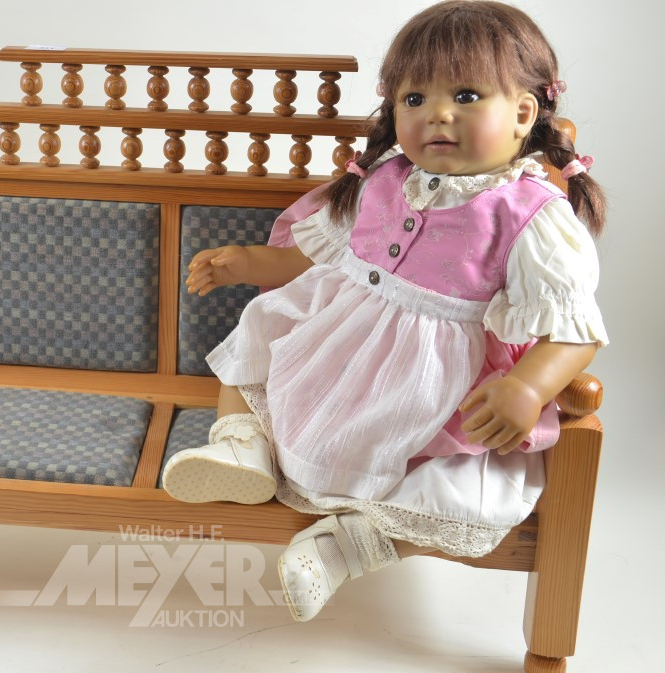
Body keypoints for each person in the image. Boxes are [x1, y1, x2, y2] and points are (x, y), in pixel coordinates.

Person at [160, 0, 609, 622]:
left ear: (523, 114)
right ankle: (242, 449)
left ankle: (348, 547)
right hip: (338, 348)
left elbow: (575, 328)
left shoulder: (531, 215)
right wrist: (248, 263)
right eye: (415, 99)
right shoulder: (384, 179)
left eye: (467, 95)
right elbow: (316, 258)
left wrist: (528, 388)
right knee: (259, 336)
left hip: (432, 382)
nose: (437, 114)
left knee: (464, 489)